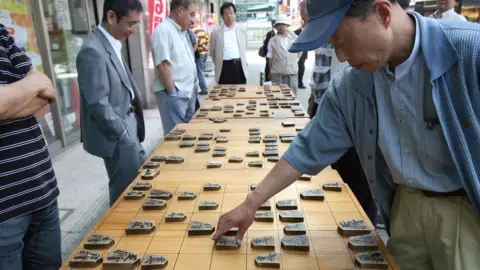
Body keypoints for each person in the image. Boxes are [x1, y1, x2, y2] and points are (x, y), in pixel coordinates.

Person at [213, 1, 480, 269]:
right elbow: (308, 147)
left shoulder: (470, 53)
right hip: (405, 209)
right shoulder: (352, 85)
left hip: (465, 212)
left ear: (383, 13)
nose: (340, 56)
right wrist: (251, 204)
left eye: (341, 41)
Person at [299, 0, 377, 223]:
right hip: (337, 117)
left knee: (360, 193)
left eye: (341, 43)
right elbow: (303, 150)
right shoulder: (347, 83)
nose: (341, 56)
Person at [0, 24, 61, 268]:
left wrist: (11, 99)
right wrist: (30, 88)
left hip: (42, 189)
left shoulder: (2, 32)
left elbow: (46, 95)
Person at [77, 0, 146, 206]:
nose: (133, 30)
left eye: (137, 25)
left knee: (140, 185)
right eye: (131, 24)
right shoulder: (92, 51)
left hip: (130, 126)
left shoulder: (112, 42)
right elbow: (97, 102)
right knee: (124, 196)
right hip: (118, 134)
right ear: (111, 17)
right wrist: (121, 133)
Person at [152, 0, 198, 135]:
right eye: (191, 14)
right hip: (175, 94)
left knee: (188, 136)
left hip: (188, 92)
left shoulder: (182, 32)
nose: (193, 20)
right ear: (180, 12)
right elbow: (162, 65)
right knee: (176, 137)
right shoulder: (163, 30)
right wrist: (173, 93)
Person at [210, 2, 248, 84]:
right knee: (224, 94)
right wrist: (219, 62)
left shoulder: (242, 30)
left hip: (239, 66)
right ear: (222, 16)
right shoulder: (216, 31)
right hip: (224, 68)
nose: (229, 16)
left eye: (231, 13)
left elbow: (245, 47)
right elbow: (212, 52)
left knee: (240, 92)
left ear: (235, 14)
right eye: (226, 13)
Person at [266, 14, 300, 95]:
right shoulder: (272, 40)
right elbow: (270, 58)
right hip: (277, 75)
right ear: (276, 26)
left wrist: (294, 61)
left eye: (283, 24)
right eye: (278, 25)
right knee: (277, 98)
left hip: (292, 74)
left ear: (287, 25)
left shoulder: (295, 38)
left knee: (292, 99)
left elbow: (300, 52)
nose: (281, 26)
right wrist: (270, 72)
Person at [192, 23, 209, 95]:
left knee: (199, 72)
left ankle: (204, 89)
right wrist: (206, 46)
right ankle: (204, 88)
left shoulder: (193, 30)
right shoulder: (201, 29)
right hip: (205, 53)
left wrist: (202, 45)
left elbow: (197, 41)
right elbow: (207, 37)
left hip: (199, 54)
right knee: (201, 71)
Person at [294, 24, 308, 89]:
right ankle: (298, 82)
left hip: (304, 52)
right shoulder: (296, 31)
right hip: (297, 52)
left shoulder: (309, 30)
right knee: (299, 67)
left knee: (301, 68)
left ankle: (299, 82)